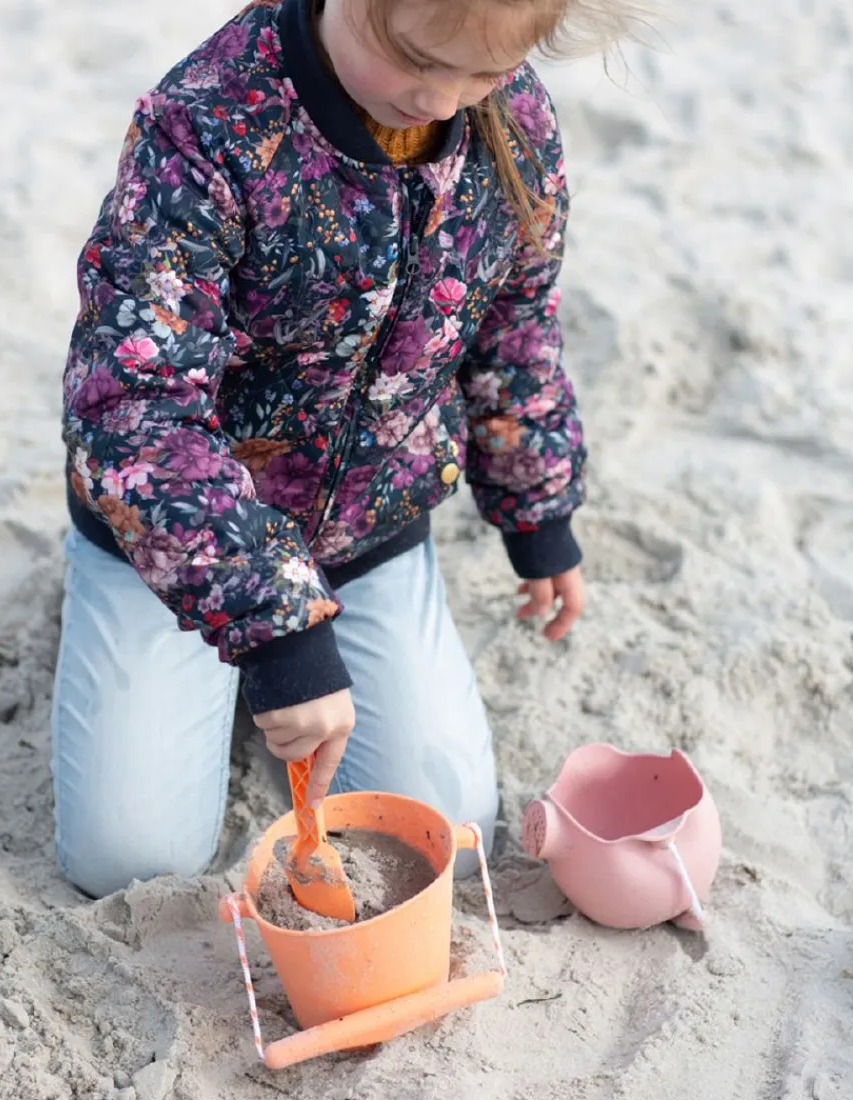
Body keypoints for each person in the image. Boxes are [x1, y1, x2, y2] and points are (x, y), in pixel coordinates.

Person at [54, 0, 615, 900]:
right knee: (129, 859)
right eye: (418, 59)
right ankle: (160, 622)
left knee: (450, 822)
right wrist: (281, 642)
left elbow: (515, 329)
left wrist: (538, 510)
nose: (441, 102)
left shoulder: (513, 121)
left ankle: (266, 654)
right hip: (183, 534)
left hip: (366, 528)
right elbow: (132, 405)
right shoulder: (204, 127)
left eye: (482, 72)